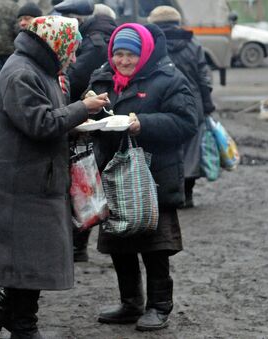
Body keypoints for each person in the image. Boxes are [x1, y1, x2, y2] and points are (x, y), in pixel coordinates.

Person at [0, 16, 110, 338]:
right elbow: (40, 123)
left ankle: (8, 312)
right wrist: (82, 109)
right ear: (57, 44)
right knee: (30, 259)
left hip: (33, 178)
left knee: (30, 257)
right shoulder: (22, 73)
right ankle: (24, 327)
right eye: (72, 49)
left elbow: (47, 119)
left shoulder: (36, 68)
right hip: (22, 183)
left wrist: (75, 121)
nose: (74, 57)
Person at [87, 23, 197, 331]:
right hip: (113, 173)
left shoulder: (169, 79)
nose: (123, 61)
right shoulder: (103, 77)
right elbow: (90, 113)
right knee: (120, 241)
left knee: (155, 246)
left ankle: (159, 306)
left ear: (145, 53)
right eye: (118, 54)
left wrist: (142, 124)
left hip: (153, 175)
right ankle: (130, 303)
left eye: (130, 55)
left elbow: (187, 122)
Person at [61, 3, 117, 262]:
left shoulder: (94, 43)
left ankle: (77, 246)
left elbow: (75, 74)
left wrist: (72, 108)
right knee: (89, 184)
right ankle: (77, 245)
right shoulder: (109, 39)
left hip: (85, 115)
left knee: (84, 184)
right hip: (88, 114)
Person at [148, 5, 215, 208]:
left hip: (160, 105)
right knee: (191, 152)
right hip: (192, 105)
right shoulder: (193, 44)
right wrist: (207, 105)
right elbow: (204, 79)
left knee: (164, 150)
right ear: (177, 22)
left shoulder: (151, 45)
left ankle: (165, 194)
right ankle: (188, 194)